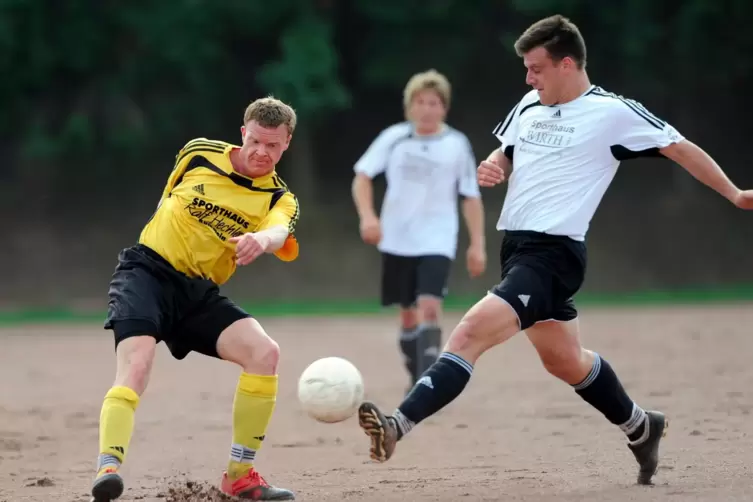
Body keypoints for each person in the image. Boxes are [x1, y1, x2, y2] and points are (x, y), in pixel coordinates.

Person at [357, 14, 753, 487]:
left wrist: (733, 194)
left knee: (467, 335)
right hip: (517, 248)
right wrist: (494, 163)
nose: (528, 78)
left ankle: (398, 425)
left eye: (537, 68)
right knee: (564, 360)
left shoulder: (612, 111)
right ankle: (641, 426)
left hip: (554, 255)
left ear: (567, 63)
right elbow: (507, 149)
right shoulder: (530, 104)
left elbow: (679, 147)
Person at [90, 97, 301, 502]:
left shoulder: (279, 198)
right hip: (146, 273)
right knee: (136, 364)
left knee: (265, 353)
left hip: (198, 292)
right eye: (255, 141)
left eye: (272, 146)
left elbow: (279, 231)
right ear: (243, 133)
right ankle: (109, 466)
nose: (261, 152)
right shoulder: (199, 153)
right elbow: (166, 199)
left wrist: (261, 239)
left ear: (287, 143)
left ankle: (240, 476)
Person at [351, 69, 487, 391]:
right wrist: (368, 217)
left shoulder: (456, 144)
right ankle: (416, 371)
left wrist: (477, 244)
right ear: (409, 107)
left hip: (438, 238)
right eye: (421, 102)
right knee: (408, 315)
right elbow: (362, 176)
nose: (427, 109)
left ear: (445, 108)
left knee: (429, 306)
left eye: (434, 103)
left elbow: (470, 195)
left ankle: (429, 383)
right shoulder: (394, 138)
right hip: (397, 239)